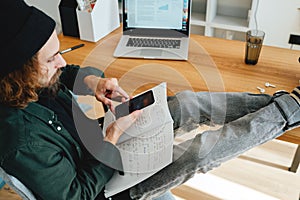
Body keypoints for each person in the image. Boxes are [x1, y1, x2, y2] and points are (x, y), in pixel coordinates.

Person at [1, 1, 300, 200]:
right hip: (107, 185)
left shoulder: (24, 80)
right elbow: (79, 195)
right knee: (199, 152)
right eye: (52, 58)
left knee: (184, 103)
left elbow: (64, 75)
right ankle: (291, 109)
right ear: (19, 70)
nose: (62, 63)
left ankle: (282, 102)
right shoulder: (20, 141)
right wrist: (114, 135)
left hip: (98, 138)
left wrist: (93, 82)